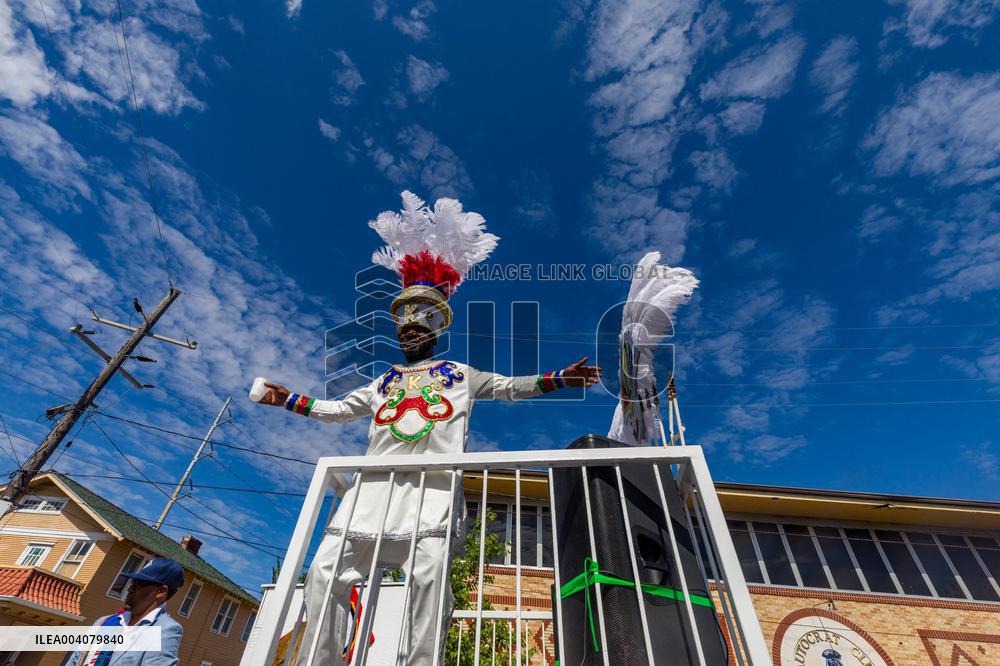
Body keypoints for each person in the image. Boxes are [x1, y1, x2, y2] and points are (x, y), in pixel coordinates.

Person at [258, 191, 601, 665]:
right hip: (370, 492)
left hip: (433, 492)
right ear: (398, 334)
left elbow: (508, 387)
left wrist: (558, 379)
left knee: (428, 585)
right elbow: (338, 409)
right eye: (404, 328)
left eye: (421, 327)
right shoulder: (383, 381)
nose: (412, 332)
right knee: (323, 572)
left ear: (436, 332)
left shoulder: (461, 374)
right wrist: (288, 400)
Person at [64, 557, 184, 666]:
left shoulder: (165, 630)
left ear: (161, 592)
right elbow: (74, 660)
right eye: (132, 583)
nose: (130, 589)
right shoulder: (104, 622)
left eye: (139, 585)